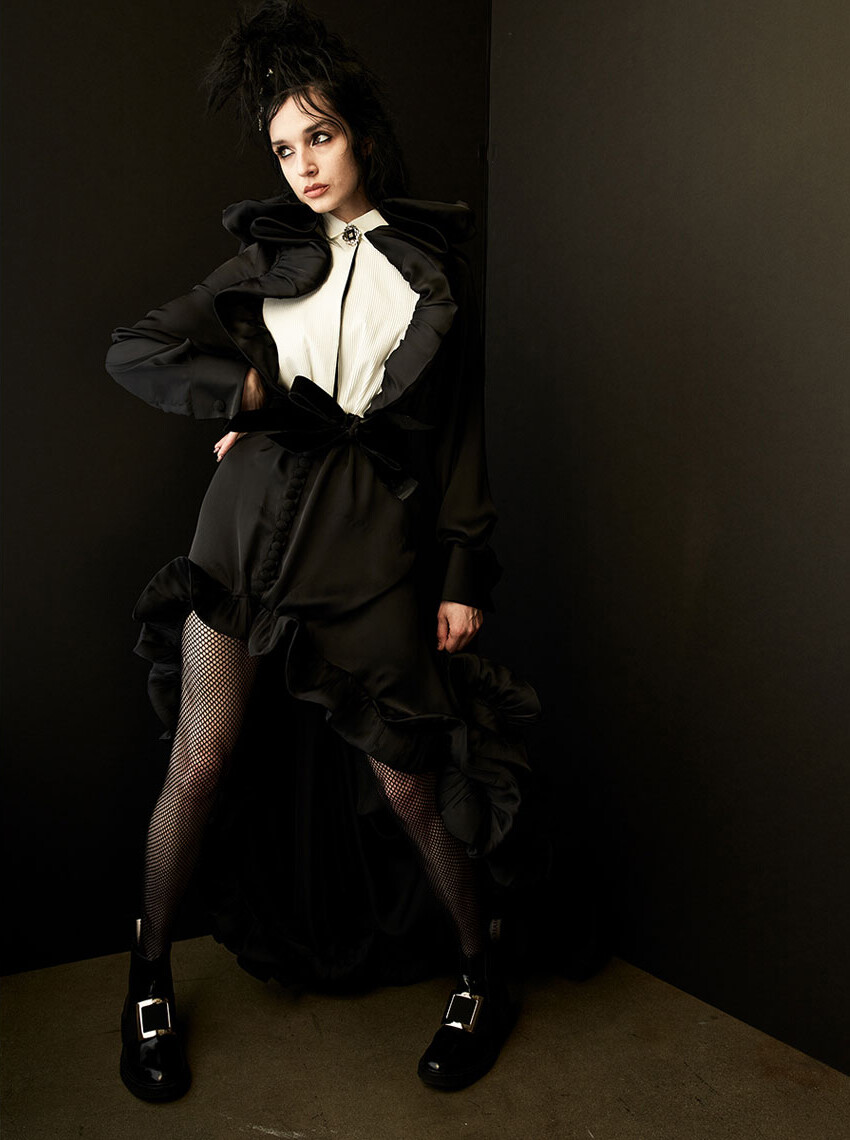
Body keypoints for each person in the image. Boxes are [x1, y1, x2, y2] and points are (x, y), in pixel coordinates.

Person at [106, 0, 541, 1104]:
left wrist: (461, 573)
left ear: (362, 136)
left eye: (320, 136)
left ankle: (480, 972)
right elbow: (136, 348)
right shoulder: (267, 255)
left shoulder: (430, 272)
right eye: (283, 147)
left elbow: (459, 435)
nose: (302, 165)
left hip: (366, 547)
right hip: (245, 534)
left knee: (409, 783)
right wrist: (246, 395)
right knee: (200, 759)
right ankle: (148, 979)